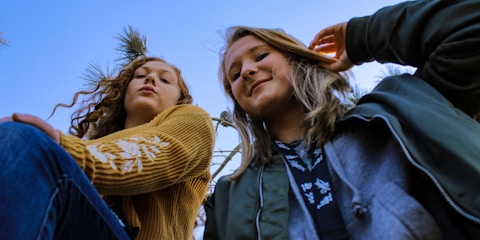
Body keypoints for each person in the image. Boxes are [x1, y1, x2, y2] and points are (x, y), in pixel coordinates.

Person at [204, 0, 480, 239]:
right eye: (235, 75)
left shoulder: (399, 109)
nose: (248, 72)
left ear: (298, 60)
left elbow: (469, 24)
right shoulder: (229, 197)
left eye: (261, 56)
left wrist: (362, 37)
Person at [0, 56, 216, 239]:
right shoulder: (91, 145)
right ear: (124, 91)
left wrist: (53, 148)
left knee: (23, 142)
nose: (150, 78)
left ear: (180, 99)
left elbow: (153, 153)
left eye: (165, 79)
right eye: (140, 76)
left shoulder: (193, 120)